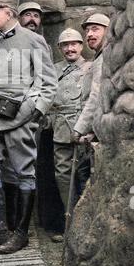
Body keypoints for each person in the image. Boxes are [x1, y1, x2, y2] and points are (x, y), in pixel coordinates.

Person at [0, 0, 58, 254]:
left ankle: (20, 234)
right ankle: (0, 232)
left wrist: (33, 110)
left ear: (9, 13)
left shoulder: (34, 40)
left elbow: (48, 83)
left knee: (24, 173)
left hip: (20, 116)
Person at [49, 28, 92, 242]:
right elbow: (48, 100)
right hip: (60, 130)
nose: (70, 48)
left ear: (81, 46)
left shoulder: (91, 68)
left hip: (85, 131)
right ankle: (70, 226)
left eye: (74, 43)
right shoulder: (54, 70)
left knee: (85, 177)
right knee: (63, 177)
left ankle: (88, 228)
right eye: (65, 45)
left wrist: (88, 129)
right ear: (59, 48)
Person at [73, 14, 110, 143]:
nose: (89, 34)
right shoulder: (100, 56)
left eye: (95, 29)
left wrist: (80, 128)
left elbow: (96, 95)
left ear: (108, 31)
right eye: (87, 31)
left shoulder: (105, 57)